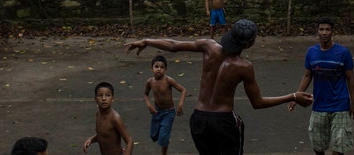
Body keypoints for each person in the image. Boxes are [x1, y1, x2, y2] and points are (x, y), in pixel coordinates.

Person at [126, 18, 313, 155]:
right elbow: (258, 103)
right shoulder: (244, 67)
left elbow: (174, 45)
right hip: (223, 121)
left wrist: (147, 41)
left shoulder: (209, 46)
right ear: (250, 43)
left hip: (198, 119)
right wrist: (293, 96)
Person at [289, 17, 354, 155]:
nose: (324, 32)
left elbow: (350, 78)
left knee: (340, 146)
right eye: (322, 29)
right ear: (317, 32)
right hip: (319, 105)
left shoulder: (343, 52)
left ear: (332, 32)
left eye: (327, 29)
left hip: (340, 105)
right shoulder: (311, 52)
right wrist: (296, 96)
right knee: (318, 145)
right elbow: (307, 75)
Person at [142, 54, 188, 155]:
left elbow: (183, 90)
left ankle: (164, 150)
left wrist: (180, 105)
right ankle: (164, 138)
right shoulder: (150, 82)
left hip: (169, 112)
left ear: (165, 69)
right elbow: (145, 94)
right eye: (156, 67)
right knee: (153, 135)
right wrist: (149, 105)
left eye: (162, 67)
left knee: (163, 138)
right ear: (151, 68)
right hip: (157, 112)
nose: (159, 69)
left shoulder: (168, 80)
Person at [83, 82, 134, 155]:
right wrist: (91, 139)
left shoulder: (115, 118)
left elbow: (130, 141)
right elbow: (103, 134)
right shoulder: (98, 115)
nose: (104, 98)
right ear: (95, 99)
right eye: (100, 95)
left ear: (112, 99)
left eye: (108, 95)